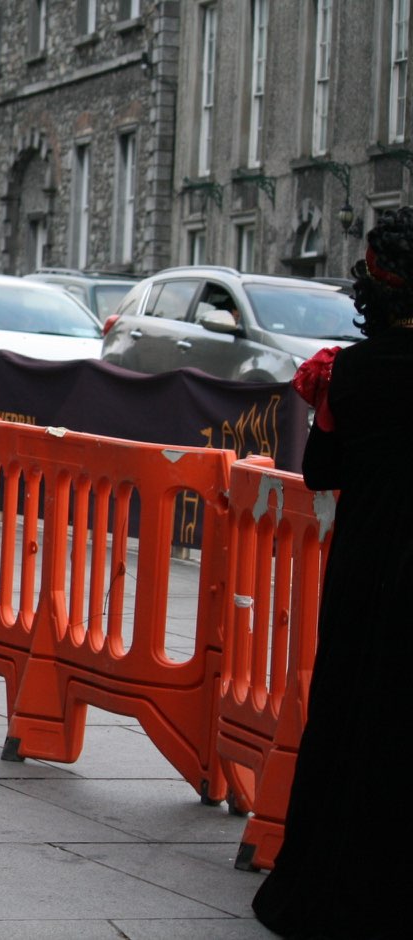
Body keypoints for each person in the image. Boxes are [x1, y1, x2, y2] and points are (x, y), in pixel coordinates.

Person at [250, 207, 413, 938]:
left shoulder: (347, 374)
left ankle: (330, 888)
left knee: (353, 709)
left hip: (374, 558)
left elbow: (321, 472)